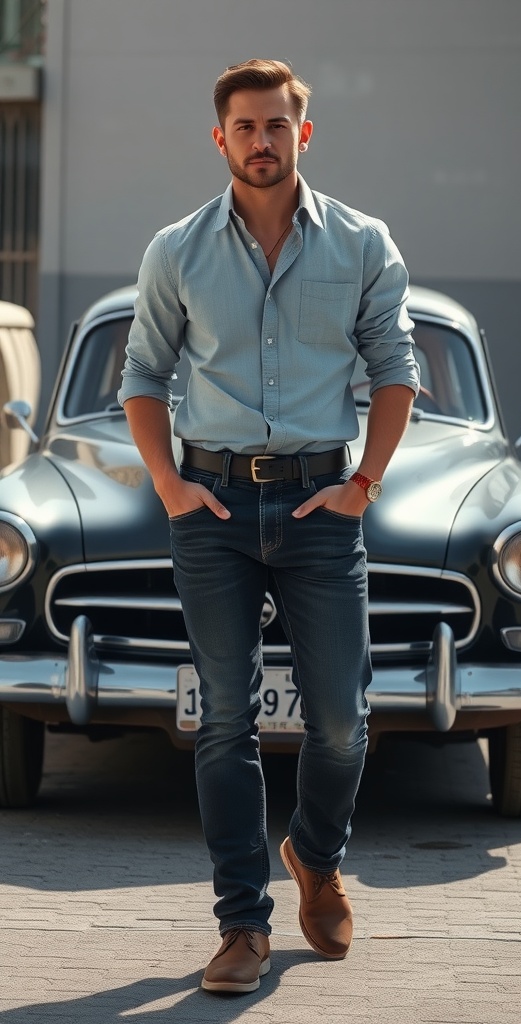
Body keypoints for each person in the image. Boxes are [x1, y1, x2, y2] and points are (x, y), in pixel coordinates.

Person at [118, 58, 419, 994]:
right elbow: (142, 377)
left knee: (340, 719)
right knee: (225, 723)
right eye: (244, 127)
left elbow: (397, 370)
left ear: (303, 133)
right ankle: (241, 925)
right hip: (209, 511)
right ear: (221, 138)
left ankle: (316, 856)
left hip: (320, 507)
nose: (261, 141)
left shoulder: (363, 243)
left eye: (277, 126)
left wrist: (364, 481)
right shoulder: (176, 248)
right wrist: (169, 485)